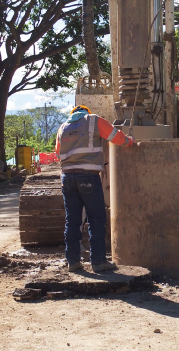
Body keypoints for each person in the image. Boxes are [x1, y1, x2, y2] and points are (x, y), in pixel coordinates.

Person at [55, 105, 135, 272]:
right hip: (88, 176)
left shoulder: (63, 127)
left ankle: (73, 262)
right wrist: (128, 140)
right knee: (96, 219)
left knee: (73, 220)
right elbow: (115, 136)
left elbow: (57, 152)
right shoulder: (93, 121)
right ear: (87, 112)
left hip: (67, 178)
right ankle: (98, 262)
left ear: (73, 114)